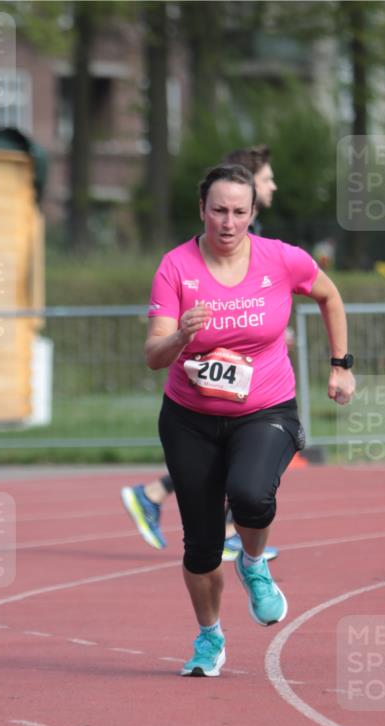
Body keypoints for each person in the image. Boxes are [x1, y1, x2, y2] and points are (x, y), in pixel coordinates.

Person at [144, 163, 354, 677]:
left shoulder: (282, 259)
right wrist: (180, 338)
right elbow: (153, 354)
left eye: (239, 211)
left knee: (252, 493)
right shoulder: (176, 267)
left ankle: (255, 565)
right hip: (190, 418)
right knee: (200, 547)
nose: (228, 222)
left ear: (252, 213)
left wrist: (341, 365)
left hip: (265, 408)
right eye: (218, 210)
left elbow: (329, 295)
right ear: (202, 210)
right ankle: (209, 638)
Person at [121, 145, 279, 561]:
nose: (273, 186)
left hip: (247, 387)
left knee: (250, 458)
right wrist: (191, 332)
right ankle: (207, 522)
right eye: (266, 178)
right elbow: (162, 343)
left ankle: (160, 496)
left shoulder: (258, 243)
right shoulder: (196, 253)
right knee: (229, 462)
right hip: (202, 394)